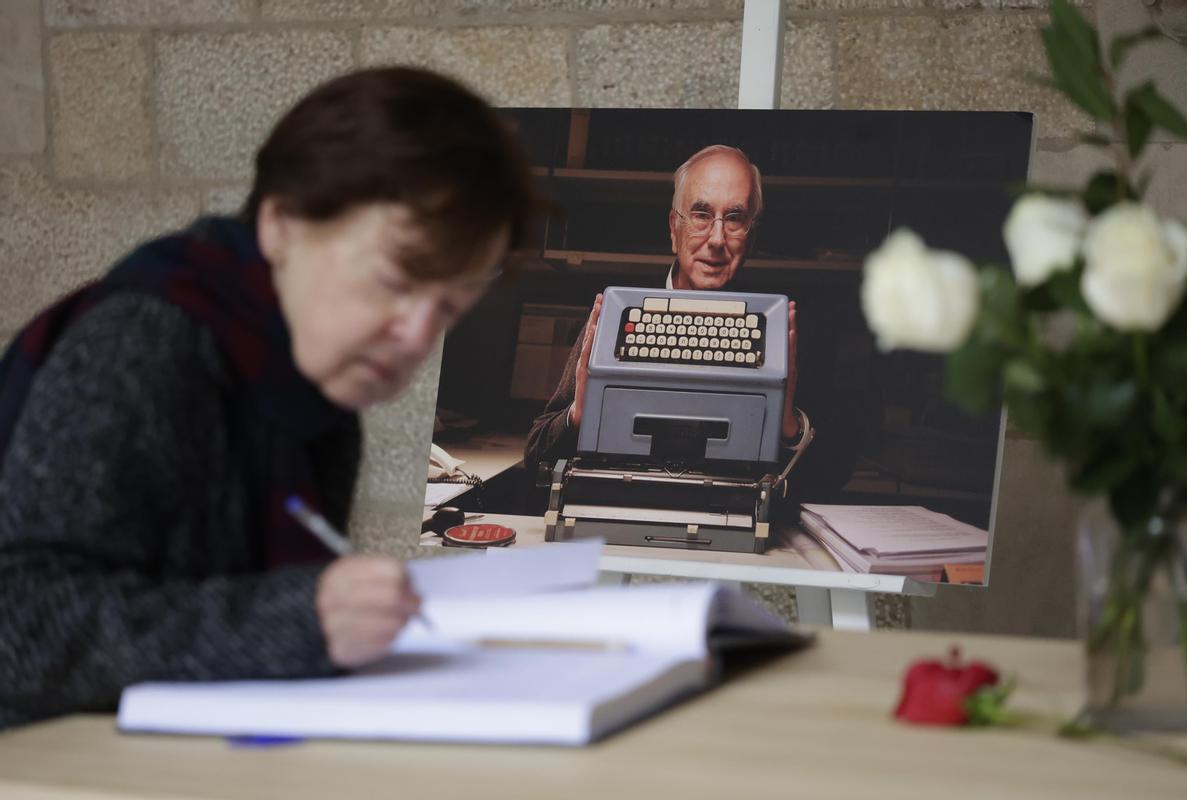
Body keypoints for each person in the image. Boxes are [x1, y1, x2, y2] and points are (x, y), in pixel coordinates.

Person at [0, 67, 541, 729]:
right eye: (396, 279)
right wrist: (300, 619)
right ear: (281, 222)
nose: (417, 337)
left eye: (450, 308)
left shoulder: (310, 383)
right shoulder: (145, 341)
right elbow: (18, 624)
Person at [523, 144, 807, 473]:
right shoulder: (615, 318)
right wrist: (578, 414)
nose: (717, 239)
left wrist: (789, 429)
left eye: (734, 219)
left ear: (751, 238)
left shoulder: (778, 334)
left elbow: (827, 479)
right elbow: (536, 455)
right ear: (674, 228)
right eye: (701, 215)